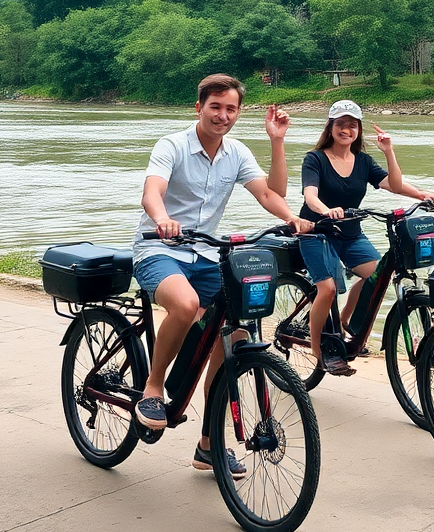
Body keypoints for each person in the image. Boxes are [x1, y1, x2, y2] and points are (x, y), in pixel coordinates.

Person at [131, 73, 312, 475]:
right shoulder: (172, 145)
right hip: (159, 248)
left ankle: (209, 445)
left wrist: (290, 212)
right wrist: (162, 219)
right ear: (199, 108)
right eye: (216, 107)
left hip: (206, 253)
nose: (223, 115)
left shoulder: (236, 153)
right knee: (186, 304)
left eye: (231, 108)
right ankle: (154, 387)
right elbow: (152, 192)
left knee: (236, 336)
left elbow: (271, 193)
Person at [299, 99, 434, 376]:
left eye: (352, 125)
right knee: (327, 289)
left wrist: (419, 188)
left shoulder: (363, 161)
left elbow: (395, 185)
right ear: (330, 127)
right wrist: (326, 211)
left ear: (358, 130)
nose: (346, 130)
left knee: (376, 274)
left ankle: (342, 323)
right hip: (317, 232)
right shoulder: (314, 158)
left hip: (350, 233)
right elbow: (310, 195)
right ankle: (319, 350)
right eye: (340, 124)